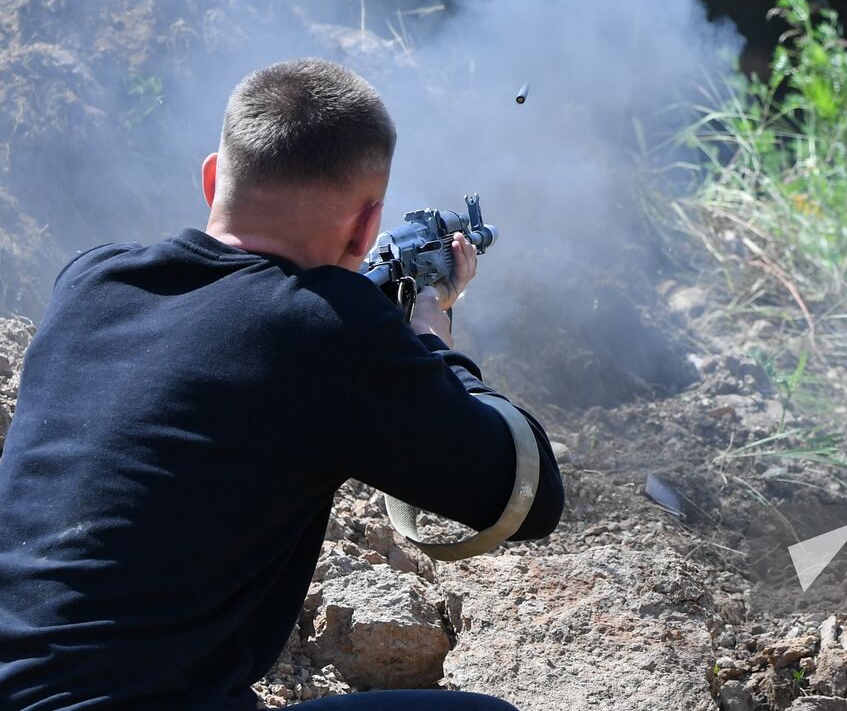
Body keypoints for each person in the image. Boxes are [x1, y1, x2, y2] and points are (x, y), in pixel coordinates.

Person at [0, 58, 564, 710]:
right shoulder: (327, 326)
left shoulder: (91, 283)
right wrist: (430, 332)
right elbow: (528, 494)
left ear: (212, 178)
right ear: (365, 225)